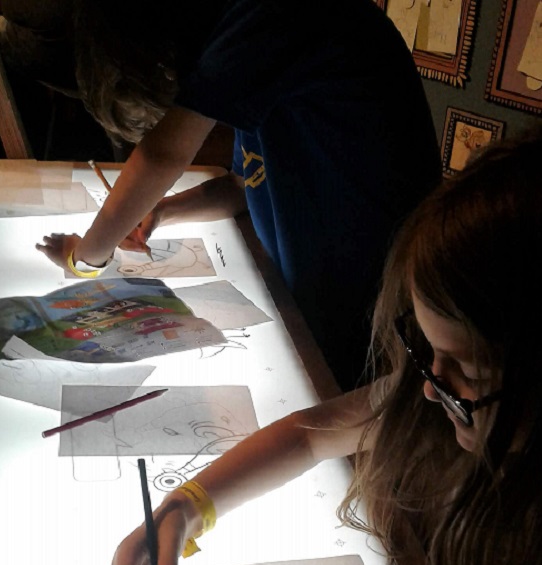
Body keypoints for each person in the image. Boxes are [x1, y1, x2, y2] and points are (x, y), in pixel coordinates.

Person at [104, 126, 542, 565]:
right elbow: (310, 437)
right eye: (426, 350)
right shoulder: (438, 397)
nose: (431, 388)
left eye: (466, 371)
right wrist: (186, 507)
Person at [35, 0, 441, 392]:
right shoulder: (256, 62)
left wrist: (85, 258)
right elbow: (241, 186)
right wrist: (160, 211)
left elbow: (162, 155)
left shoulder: (277, 12)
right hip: (310, 307)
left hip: (377, 315)